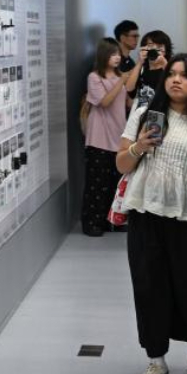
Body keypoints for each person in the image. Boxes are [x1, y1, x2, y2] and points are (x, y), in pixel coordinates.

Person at [115, 54, 187, 374]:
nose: (176, 80)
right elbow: (121, 165)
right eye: (171, 74)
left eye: (185, 75)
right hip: (146, 215)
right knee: (149, 287)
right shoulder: (144, 115)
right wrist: (138, 147)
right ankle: (156, 359)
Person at [82, 38, 129, 236]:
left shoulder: (120, 77)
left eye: (118, 54)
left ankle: (112, 221)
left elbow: (126, 101)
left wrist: (141, 64)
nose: (117, 57)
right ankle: (92, 223)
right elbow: (104, 101)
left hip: (119, 136)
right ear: (103, 56)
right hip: (99, 137)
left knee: (114, 182)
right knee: (96, 183)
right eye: (113, 54)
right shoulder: (94, 77)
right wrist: (121, 82)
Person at [124, 30, 172, 110]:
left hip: (163, 113)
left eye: (159, 47)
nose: (154, 49)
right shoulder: (141, 69)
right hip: (142, 115)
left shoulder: (170, 68)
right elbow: (129, 88)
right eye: (150, 45)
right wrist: (140, 62)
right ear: (144, 48)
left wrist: (165, 65)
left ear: (165, 51)